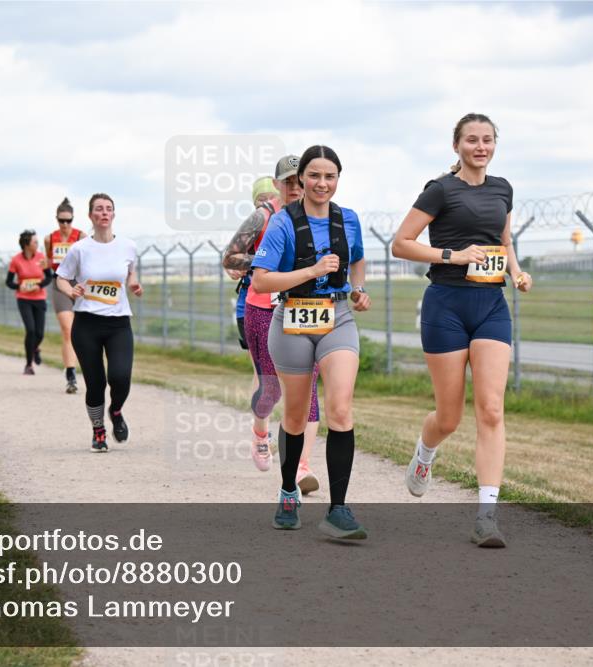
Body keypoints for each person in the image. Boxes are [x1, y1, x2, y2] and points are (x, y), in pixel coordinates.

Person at [392, 113, 533, 548]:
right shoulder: (440, 189)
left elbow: (503, 240)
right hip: (446, 305)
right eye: (472, 140)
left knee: (491, 409)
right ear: (456, 145)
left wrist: (516, 270)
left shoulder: (502, 189)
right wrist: (453, 255)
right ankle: (425, 454)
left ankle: (486, 517)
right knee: (449, 417)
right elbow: (401, 243)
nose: (481, 147)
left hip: (491, 305)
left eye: (488, 140)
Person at [251, 145, 371, 539]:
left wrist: (358, 289)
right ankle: (288, 492)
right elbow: (262, 280)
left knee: (340, 408)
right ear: (301, 179)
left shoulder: (348, 219)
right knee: (297, 416)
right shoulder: (283, 222)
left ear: (338, 179)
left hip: (337, 318)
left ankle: (338, 509)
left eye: (330, 176)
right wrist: (312, 269)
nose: (322, 183)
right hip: (292, 320)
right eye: (314, 175)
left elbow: (357, 261)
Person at [223, 164, 322, 493]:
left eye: (300, 181)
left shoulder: (320, 216)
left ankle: (301, 467)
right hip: (264, 306)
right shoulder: (263, 216)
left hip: (306, 309)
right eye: (289, 182)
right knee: (271, 388)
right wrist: (268, 261)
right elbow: (230, 258)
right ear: (278, 184)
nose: (295, 188)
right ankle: (260, 432)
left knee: (309, 388)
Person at [56, 193, 142, 452]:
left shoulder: (128, 246)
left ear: (113, 215)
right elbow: (61, 278)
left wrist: (133, 283)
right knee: (96, 384)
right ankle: (98, 430)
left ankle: (115, 411)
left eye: (108, 209)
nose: (104, 213)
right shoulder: (80, 249)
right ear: (91, 215)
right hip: (86, 325)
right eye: (99, 209)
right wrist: (70, 291)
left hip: (118, 324)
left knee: (120, 377)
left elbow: (129, 271)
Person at [45, 197, 87, 394]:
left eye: (68, 220)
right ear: (56, 220)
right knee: (67, 329)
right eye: (61, 221)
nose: (65, 225)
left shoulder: (81, 236)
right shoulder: (50, 239)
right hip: (59, 284)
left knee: (84, 330)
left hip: (78, 284)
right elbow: (49, 261)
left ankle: (87, 367)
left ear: (73, 220)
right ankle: (70, 374)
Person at [7, 229, 54, 375]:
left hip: (39, 299)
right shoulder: (16, 260)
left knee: (39, 334)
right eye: (35, 242)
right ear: (27, 244)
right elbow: (8, 282)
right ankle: (29, 364)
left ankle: (34, 348)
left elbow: (49, 277)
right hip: (24, 299)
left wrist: (38, 285)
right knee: (31, 330)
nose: (38, 244)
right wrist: (18, 286)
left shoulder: (41, 258)